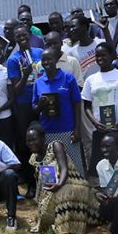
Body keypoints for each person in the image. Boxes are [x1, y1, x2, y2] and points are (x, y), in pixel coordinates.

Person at [26, 123, 99, 234]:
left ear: (42, 138)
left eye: (34, 139)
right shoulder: (34, 159)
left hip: (73, 183)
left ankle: (65, 230)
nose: (31, 143)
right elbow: (41, 183)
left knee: (61, 193)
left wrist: (59, 185)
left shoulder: (55, 146)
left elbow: (64, 168)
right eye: (28, 141)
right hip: (54, 187)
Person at [81, 42, 118, 175]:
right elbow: (87, 106)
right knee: (102, 167)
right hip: (100, 130)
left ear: (112, 56)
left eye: (104, 55)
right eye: (97, 56)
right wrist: (95, 122)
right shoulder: (90, 80)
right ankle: (107, 192)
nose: (100, 58)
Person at [31, 48, 84, 177]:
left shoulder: (68, 78)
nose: (47, 62)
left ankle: (79, 195)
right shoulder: (38, 83)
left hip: (68, 129)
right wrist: (40, 105)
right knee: (50, 166)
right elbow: (34, 109)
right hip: (47, 131)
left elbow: (77, 103)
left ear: (56, 60)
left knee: (75, 167)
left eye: (50, 59)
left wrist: (77, 128)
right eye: (44, 60)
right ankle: (49, 194)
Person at [64, 14, 105, 173]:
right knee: (90, 138)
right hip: (86, 98)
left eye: (75, 26)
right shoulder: (72, 53)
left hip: (104, 95)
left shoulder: (99, 44)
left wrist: (106, 29)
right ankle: (94, 173)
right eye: (70, 27)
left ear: (86, 27)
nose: (71, 29)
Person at [6, 26, 43, 195]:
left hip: (41, 103)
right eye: (18, 36)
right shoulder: (13, 59)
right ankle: (32, 182)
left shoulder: (40, 53)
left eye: (24, 35)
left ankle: (47, 180)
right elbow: (16, 90)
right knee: (26, 144)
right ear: (15, 39)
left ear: (29, 36)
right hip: (23, 106)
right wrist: (25, 74)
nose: (22, 38)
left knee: (43, 142)